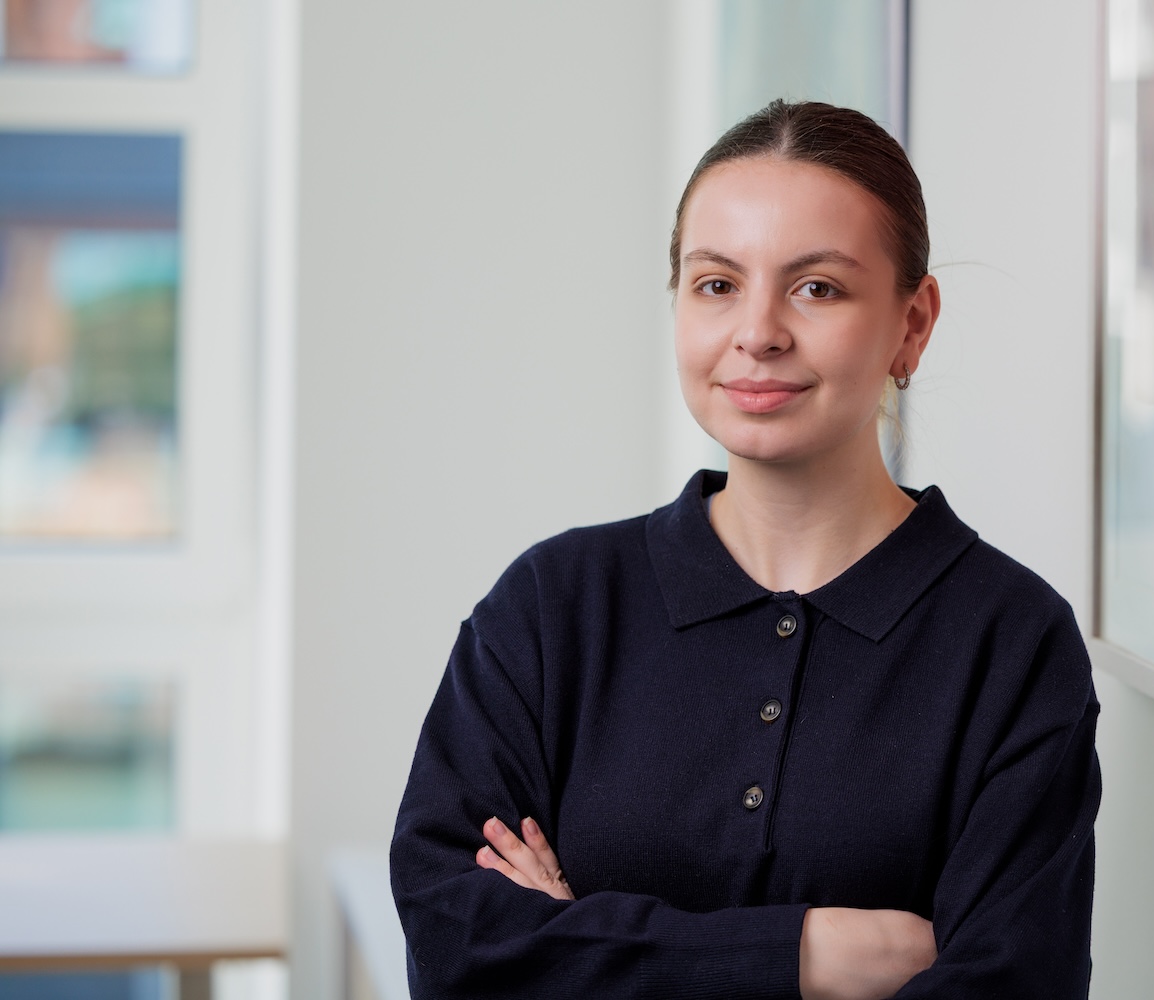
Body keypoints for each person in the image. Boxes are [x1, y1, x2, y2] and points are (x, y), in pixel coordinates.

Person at [390, 99, 1101, 999]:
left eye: (818, 288)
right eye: (717, 283)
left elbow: (1011, 986)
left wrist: (575, 944)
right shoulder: (551, 607)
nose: (757, 333)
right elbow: (459, 952)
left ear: (911, 325)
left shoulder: (1012, 642)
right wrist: (807, 957)